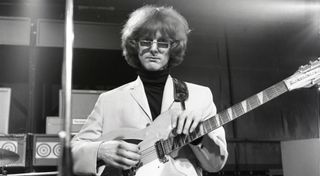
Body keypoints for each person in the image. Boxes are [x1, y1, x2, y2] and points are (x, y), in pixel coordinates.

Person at [71, 5, 228, 176]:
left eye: (163, 43)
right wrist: (100, 151)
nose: (153, 48)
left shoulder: (200, 96)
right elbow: (72, 152)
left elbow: (215, 165)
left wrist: (198, 138)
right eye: (146, 41)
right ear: (135, 46)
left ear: (172, 48)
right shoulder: (108, 100)